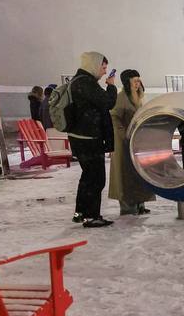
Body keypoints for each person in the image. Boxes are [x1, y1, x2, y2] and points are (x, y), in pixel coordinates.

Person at [66, 51, 118, 227]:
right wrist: (111, 86)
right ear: (94, 65)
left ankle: (81, 213)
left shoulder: (80, 82)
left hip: (82, 137)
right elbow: (107, 103)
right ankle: (91, 216)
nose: (104, 72)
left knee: (88, 177)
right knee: (96, 178)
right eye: (103, 67)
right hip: (88, 138)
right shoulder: (85, 83)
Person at [108, 69, 153, 216]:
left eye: (139, 80)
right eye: (134, 81)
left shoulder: (138, 97)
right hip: (124, 143)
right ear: (127, 83)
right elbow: (114, 118)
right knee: (125, 174)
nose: (137, 83)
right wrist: (124, 135)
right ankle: (128, 207)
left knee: (138, 173)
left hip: (136, 141)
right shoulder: (120, 98)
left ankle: (140, 203)